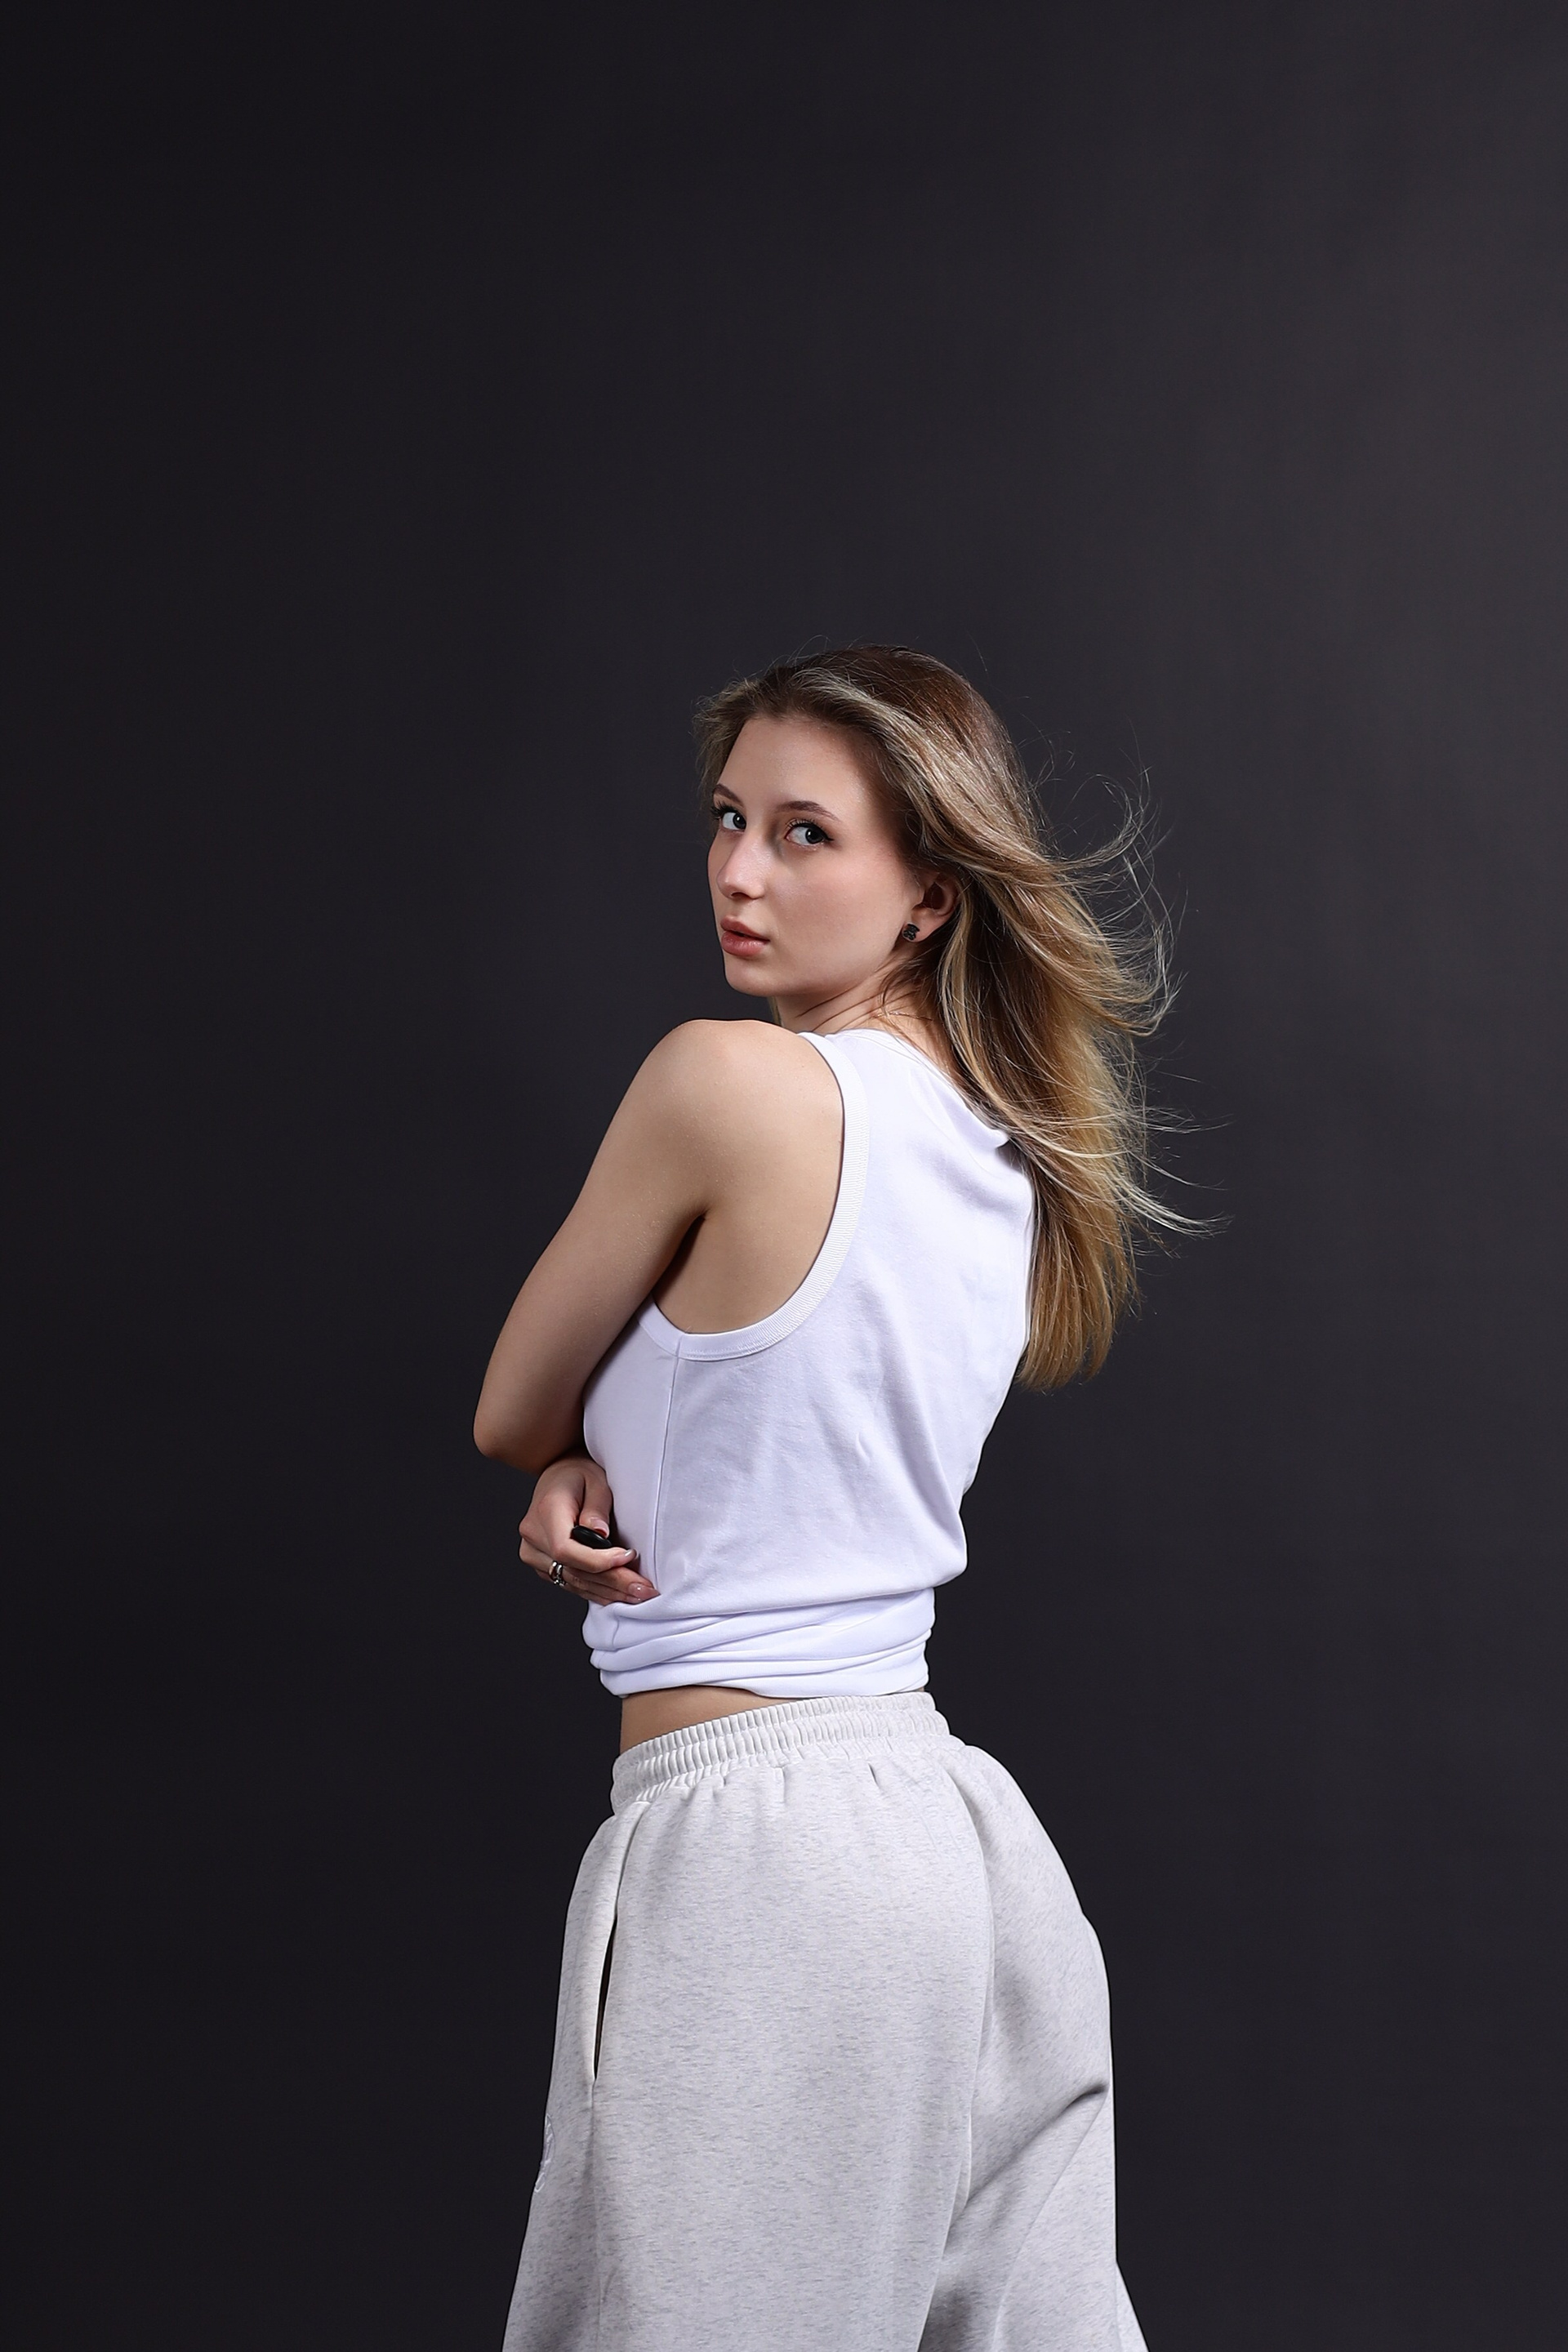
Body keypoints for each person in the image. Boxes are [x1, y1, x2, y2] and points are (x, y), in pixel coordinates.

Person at [474, 645, 1178, 2350]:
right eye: (730, 820)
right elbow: (767, 1414)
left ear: (930, 892)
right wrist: (596, 1456)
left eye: (807, 835)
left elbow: (506, 1406)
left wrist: (558, 1450)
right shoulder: (1012, 1155)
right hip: (958, 1846)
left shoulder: (725, 1083)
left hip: (757, 1859)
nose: (740, 872)